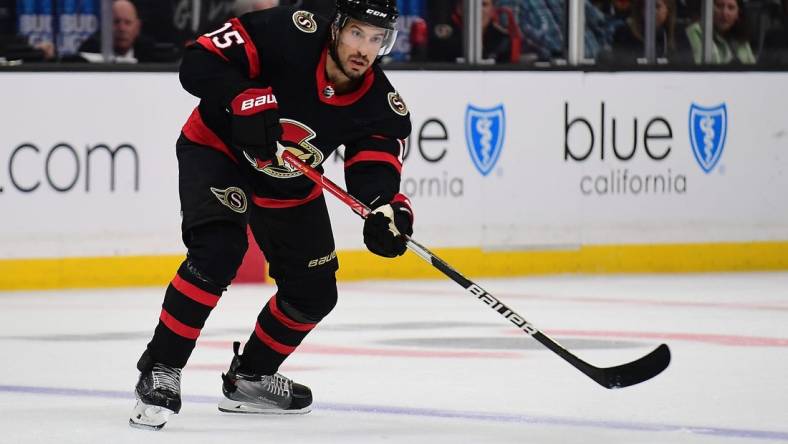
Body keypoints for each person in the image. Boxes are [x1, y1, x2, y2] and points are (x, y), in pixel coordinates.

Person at [129, 0, 413, 430]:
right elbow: (197, 61)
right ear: (336, 28)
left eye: (377, 40)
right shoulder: (288, 31)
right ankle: (161, 367)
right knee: (218, 251)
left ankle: (251, 377)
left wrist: (386, 209)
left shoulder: (380, 104)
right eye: (357, 33)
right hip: (218, 150)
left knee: (314, 292)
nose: (365, 50)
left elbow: (373, 167)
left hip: (288, 182)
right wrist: (242, 95)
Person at [427, 0, 520, 63]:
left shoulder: (503, 41)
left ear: (492, 10)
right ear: (459, 9)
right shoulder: (444, 41)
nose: (479, 10)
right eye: (474, 5)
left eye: (484, 5)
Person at [602, 0, 690, 64]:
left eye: (657, 6)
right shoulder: (624, 34)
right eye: (646, 7)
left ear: (668, 9)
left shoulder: (678, 34)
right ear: (641, 10)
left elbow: (688, 63)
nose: (652, 12)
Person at [76, 0, 161, 63]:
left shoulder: (150, 55)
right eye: (116, 22)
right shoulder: (89, 51)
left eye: (128, 23)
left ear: (137, 28)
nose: (122, 28)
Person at [685, 0, 755, 64]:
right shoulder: (696, 32)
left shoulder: (741, 38)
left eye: (731, 7)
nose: (724, 13)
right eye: (719, 6)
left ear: (737, 14)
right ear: (709, 9)